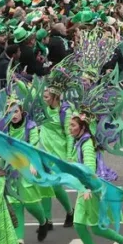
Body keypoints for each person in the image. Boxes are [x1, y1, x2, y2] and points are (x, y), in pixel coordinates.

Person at [70, 114, 123, 244]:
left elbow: (90, 167)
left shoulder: (86, 144)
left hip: (91, 190)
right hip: (84, 188)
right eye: (69, 125)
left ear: (82, 127)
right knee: (78, 223)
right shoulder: (78, 141)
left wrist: (86, 188)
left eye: (73, 125)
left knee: (96, 228)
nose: (69, 128)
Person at [6, 104, 53, 244]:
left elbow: (34, 146)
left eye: (16, 111)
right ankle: (19, 241)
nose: (13, 115)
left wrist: (33, 164)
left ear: (21, 112)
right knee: (16, 204)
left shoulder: (30, 126)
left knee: (31, 203)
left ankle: (43, 221)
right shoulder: (4, 128)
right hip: (12, 169)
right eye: (10, 112)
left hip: (28, 169)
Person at [38, 88, 75, 227]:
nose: (44, 99)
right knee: (44, 184)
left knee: (55, 185)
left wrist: (70, 155)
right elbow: (32, 90)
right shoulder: (43, 108)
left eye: (47, 97)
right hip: (42, 151)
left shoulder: (65, 112)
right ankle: (48, 219)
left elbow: (69, 134)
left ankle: (70, 211)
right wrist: (18, 80)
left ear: (55, 97)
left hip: (58, 153)